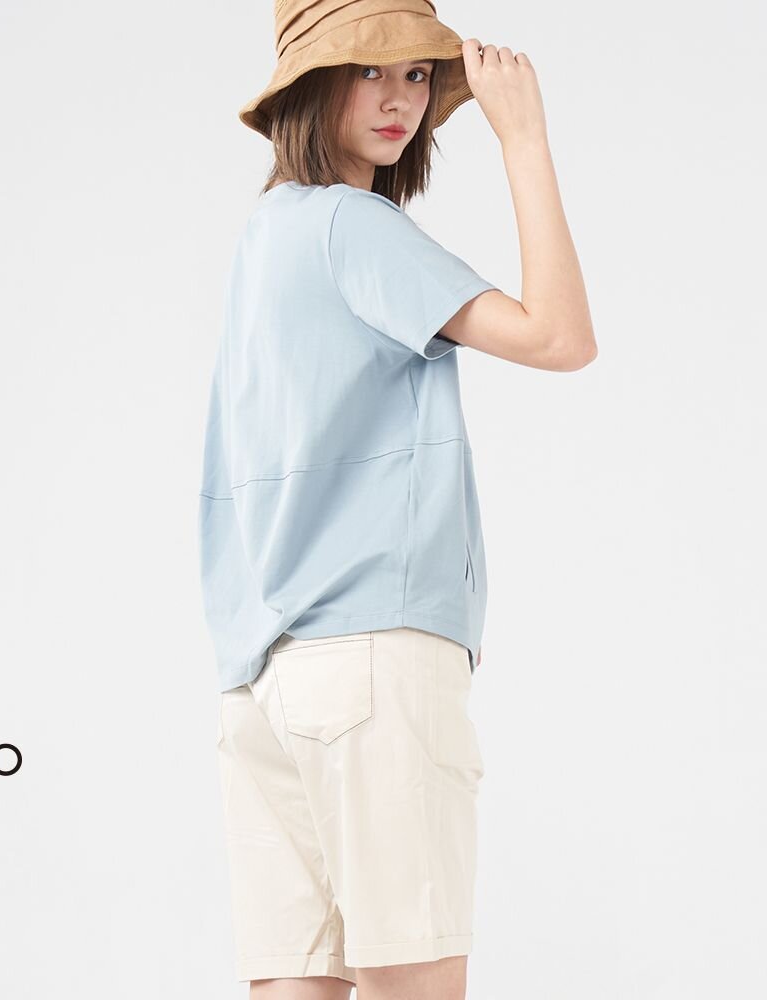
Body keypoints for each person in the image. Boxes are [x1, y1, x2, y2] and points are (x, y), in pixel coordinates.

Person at [197, 2, 596, 996]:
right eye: (368, 70)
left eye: (416, 74)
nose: (400, 99)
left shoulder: (266, 234)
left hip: (262, 679)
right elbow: (559, 336)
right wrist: (523, 137)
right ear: (311, 85)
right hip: (373, 664)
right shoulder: (353, 225)